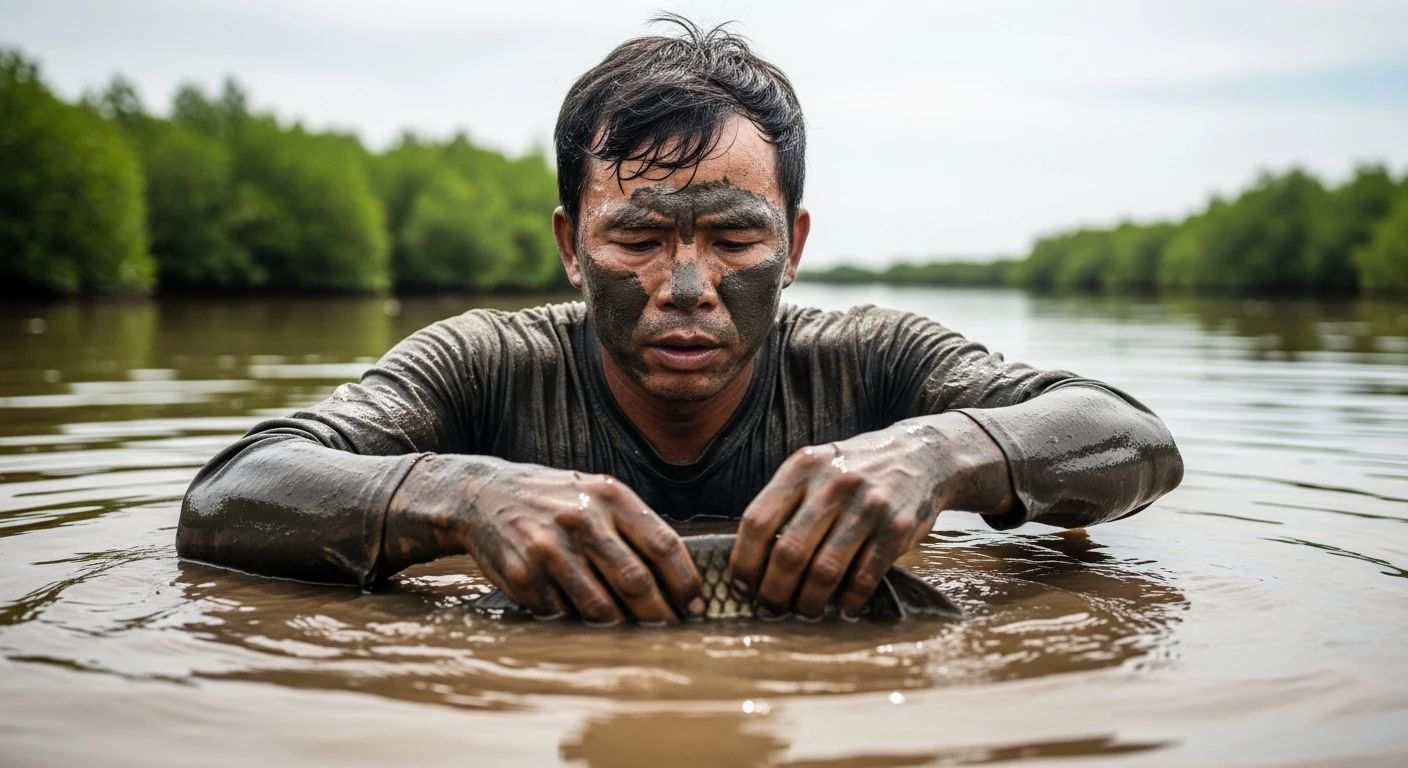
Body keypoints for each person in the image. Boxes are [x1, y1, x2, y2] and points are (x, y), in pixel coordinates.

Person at [176, 18, 1183, 626]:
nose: (689, 283)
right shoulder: (480, 366)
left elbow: (1134, 442)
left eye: (735, 241)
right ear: (572, 246)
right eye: (640, 237)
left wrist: (941, 451)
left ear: (791, 243)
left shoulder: (876, 361)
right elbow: (228, 499)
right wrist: (465, 496)